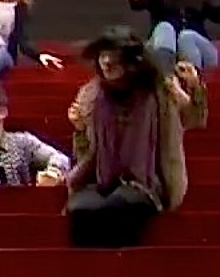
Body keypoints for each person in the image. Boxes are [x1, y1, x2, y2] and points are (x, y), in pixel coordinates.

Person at [64, 27, 207, 248]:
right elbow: (85, 153)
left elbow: (194, 119)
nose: (106, 63)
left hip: (149, 182)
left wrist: (194, 87)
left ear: (131, 61)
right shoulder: (91, 95)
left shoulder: (160, 90)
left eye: (113, 56)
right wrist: (80, 129)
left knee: (121, 202)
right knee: (79, 208)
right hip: (104, 180)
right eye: (103, 56)